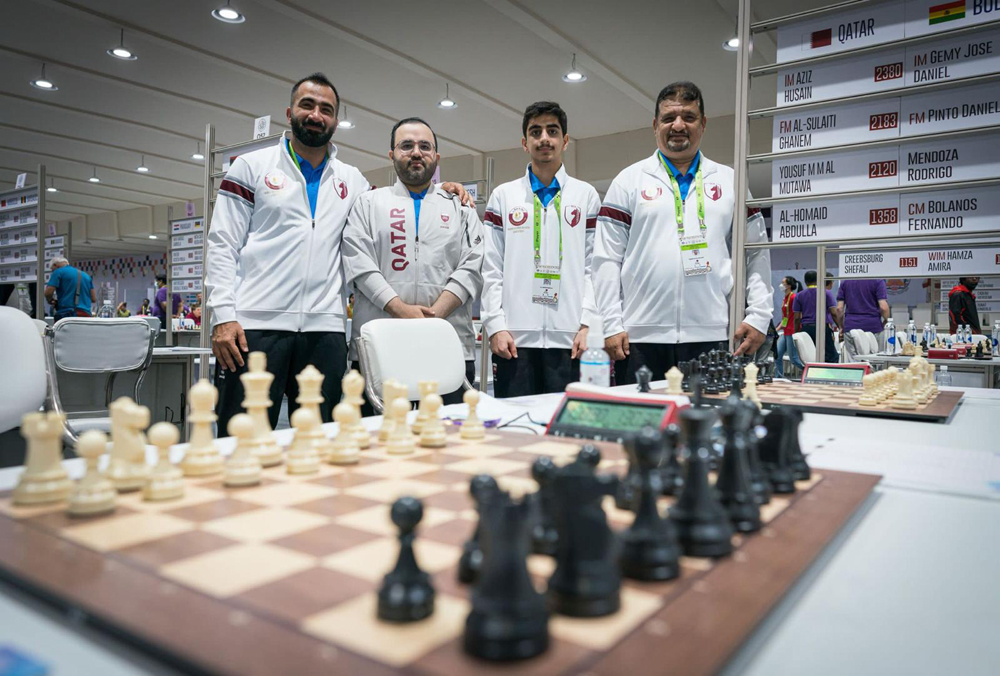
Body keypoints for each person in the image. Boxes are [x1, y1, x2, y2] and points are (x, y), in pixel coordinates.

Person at [206, 73, 472, 431]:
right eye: (307, 105)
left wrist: (446, 189)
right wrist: (223, 315)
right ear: (290, 112)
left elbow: (403, 203)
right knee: (243, 438)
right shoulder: (251, 168)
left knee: (326, 441)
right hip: (255, 324)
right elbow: (222, 243)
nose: (316, 115)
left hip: (325, 332)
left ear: (335, 120)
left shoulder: (353, 182)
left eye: (326, 109)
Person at [593, 82, 773, 382]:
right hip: (639, 337)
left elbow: (756, 254)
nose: (678, 125)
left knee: (706, 426)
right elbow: (605, 260)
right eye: (668, 118)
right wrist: (610, 324)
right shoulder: (628, 181)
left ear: (703, 124)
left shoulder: (731, 182)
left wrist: (758, 316)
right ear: (655, 126)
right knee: (641, 424)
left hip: (714, 334)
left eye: (688, 117)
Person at [343, 117, 484, 406]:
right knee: (382, 444)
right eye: (406, 146)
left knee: (449, 442)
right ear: (391, 154)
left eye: (425, 146)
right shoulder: (368, 204)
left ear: (436, 157)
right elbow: (359, 261)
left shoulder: (460, 206)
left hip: (448, 344)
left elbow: (474, 263)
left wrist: (435, 315)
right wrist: (400, 309)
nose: (416, 152)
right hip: (381, 346)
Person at [480, 101, 601, 397]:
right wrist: (495, 326)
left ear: (565, 140)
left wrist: (589, 324)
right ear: (525, 143)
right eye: (536, 131)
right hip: (514, 342)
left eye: (552, 131)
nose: (544, 138)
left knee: (567, 429)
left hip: (571, 340)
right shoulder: (503, 196)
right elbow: (490, 267)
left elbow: (595, 267)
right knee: (515, 430)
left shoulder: (585, 196)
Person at [793, 270, 841, 362]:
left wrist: (797, 332)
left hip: (806, 329)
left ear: (805, 281)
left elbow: (797, 318)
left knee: (810, 357)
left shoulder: (799, 296)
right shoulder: (826, 293)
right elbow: (834, 313)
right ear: (819, 279)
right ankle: (828, 376)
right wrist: (840, 327)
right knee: (830, 356)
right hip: (822, 329)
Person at [775, 275, 804, 378]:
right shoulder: (785, 299)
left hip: (792, 331)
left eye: (783, 283)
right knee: (777, 356)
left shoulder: (793, 297)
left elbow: (798, 315)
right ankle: (779, 378)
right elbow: (785, 318)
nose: (781, 285)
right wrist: (777, 329)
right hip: (786, 331)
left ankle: (809, 371)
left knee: (794, 359)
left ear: (789, 286)